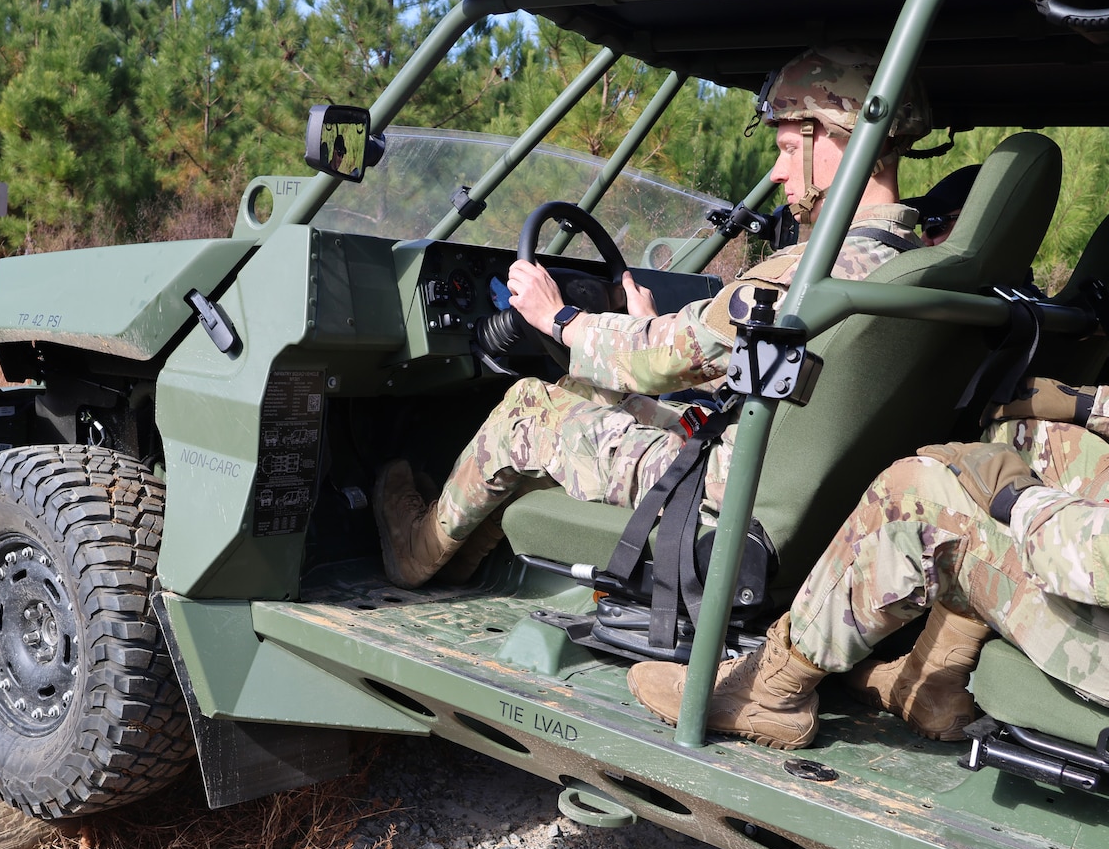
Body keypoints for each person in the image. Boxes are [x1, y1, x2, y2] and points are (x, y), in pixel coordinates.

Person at [372, 46, 932, 589]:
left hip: (725, 490)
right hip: (786, 477)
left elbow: (665, 361)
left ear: (847, 138)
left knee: (529, 409)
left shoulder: (813, 271)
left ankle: (415, 553)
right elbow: (728, 352)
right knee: (584, 389)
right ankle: (463, 557)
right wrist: (644, 323)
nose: (780, 172)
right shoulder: (911, 258)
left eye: (789, 149)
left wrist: (558, 316)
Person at [629, 439, 1109, 750]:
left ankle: (772, 690)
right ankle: (933, 684)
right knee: (1033, 435)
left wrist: (1022, 501)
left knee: (920, 497)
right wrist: (1085, 406)